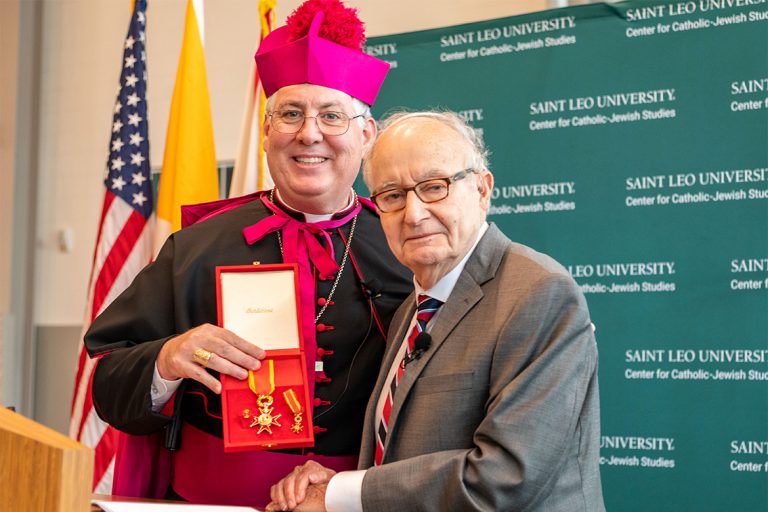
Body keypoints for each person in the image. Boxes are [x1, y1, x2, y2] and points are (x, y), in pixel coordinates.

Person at [83, 0, 412, 507]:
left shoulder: (406, 247)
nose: (309, 133)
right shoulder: (195, 247)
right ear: (266, 131)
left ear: (366, 135)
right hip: (209, 504)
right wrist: (167, 359)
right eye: (290, 114)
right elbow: (109, 381)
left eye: (331, 116)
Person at [267, 111, 605, 512]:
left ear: (482, 189)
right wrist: (336, 483)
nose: (413, 214)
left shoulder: (539, 293)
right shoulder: (410, 310)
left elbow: (506, 477)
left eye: (434, 187)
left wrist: (340, 494)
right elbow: (400, 456)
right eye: (392, 195)